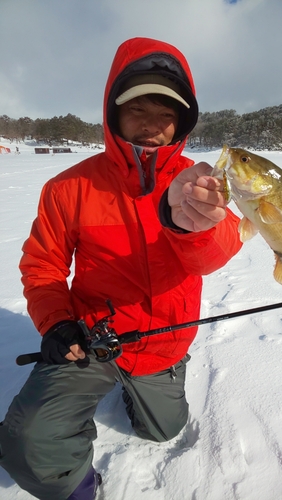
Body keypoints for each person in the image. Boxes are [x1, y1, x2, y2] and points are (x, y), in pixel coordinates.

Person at [0, 37, 242, 500]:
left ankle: (149, 389)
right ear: (114, 114)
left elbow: (217, 252)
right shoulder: (67, 187)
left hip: (164, 344)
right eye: (139, 111)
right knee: (29, 440)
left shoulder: (198, 180)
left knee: (164, 432)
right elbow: (43, 265)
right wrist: (56, 322)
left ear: (182, 123)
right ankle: (79, 487)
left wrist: (191, 226)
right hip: (90, 338)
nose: (152, 127)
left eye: (165, 115)